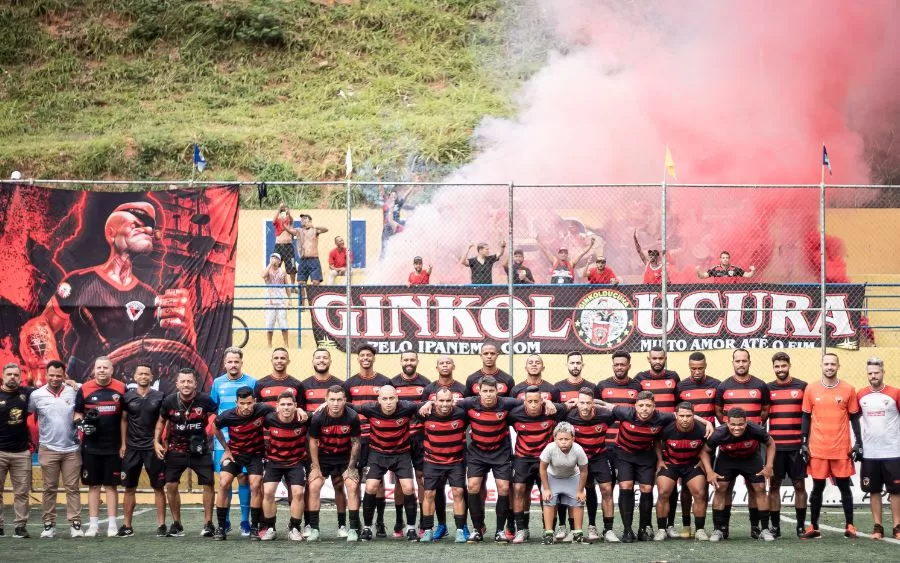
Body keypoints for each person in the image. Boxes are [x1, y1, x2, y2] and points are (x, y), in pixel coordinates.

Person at [18, 202, 195, 384]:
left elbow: (171, 349)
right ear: (111, 233)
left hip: (129, 384)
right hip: (83, 380)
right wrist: (48, 364)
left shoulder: (150, 295)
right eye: (136, 225)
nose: (148, 230)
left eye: (149, 227)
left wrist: (188, 333)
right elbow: (42, 323)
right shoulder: (80, 281)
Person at [595, 391, 713, 543]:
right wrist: (584, 402)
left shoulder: (662, 417)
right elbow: (606, 405)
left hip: (645, 455)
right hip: (624, 454)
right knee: (626, 486)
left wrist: (707, 422)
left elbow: (682, 414)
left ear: (654, 407)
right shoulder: (624, 412)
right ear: (635, 406)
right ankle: (627, 530)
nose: (645, 409)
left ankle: (643, 529)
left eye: (648, 406)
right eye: (641, 405)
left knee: (647, 489)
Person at [799, 353, 862, 540]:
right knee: (817, 488)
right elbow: (805, 417)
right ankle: (814, 526)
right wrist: (804, 443)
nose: (829, 367)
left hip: (841, 449)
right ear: (821, 365)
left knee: (844, 487)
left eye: (833, 364)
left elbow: (854, 418)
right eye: (826, 364)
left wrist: (858, 442)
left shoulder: (849, 389)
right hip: (818, 449)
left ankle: (850, 526)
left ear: (838, 366)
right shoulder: (811, 389)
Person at [455, 376, 522, 543]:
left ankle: (500, 530)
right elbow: (448, 403)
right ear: (479, 391)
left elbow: (527, 403)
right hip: (477, 453)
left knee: (504, 488)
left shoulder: (507, 403)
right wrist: (428, 403)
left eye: (492, 391)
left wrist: (548, 403)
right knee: (472, 486)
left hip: (500, 453)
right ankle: (478, 528)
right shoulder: (468, 403)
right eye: (485, 391)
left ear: (497, 391)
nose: (488, 394)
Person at [155, 368, 218, 538]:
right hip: (176, 449)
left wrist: (210, 425)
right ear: (177, 384)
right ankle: (176, 524)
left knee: (209, 484)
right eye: (182, 381)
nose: (186, 384)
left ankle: (208, 524)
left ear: (195, 384)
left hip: (200, 449)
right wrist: (156, 442)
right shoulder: (169, 401)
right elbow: (161, 422)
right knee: (171, 485)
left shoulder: (205, 400)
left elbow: (215, 415)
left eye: (189, 381)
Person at [715, 348, 770, 538]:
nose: (741, 364)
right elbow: (719, 411)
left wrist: (751, 428)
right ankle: (722, 529)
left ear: (749, 362)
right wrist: (732, 430)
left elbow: (765, 411)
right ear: (733, 363)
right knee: (724, 488)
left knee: (756, 488)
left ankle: (757, 528)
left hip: (751, 449)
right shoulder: (723, 387)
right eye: (737, 361)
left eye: (744, 361)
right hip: (728, 450)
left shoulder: (761, 386)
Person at [212, 386, 277, 540]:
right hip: (235, 454)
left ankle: (254, 527)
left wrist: (300, 411)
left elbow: (281, 411)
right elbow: (214, 427)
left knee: (255, 485)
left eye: (249, 403)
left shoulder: (263, 409)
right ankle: (221, 527)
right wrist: (226, 449)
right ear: (236, 403)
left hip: (255, 455)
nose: (246, 407)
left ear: (254, 401)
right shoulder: (227, 416)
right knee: (223, 483)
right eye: (242, 403)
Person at [356, 386, 421, 541]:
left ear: (397, 398)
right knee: (371, 486)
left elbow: (423, 405)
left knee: (408, 487)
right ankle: (367, 528)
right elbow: (350, 407)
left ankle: (411, 529)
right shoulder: (369, 408)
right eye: (384, 399)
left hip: (401, 454)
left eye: (391, 398)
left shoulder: (407, 407)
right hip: (377, 454)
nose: (388, 402)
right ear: (378, 400)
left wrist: (428, 404)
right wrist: (326, 406)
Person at [29, 360, 83, 538]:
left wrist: (74, 383)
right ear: (46, 374)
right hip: (48, 448)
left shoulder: (74, 390)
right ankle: (48, 525)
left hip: (72, 449)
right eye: (51, 375)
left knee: (72, 488)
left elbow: (90, 388)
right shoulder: (36, 395)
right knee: (49, 488)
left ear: (64, 375)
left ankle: (75, 524)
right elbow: (26, 415)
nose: (54, 378)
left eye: (58, 375)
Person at [706, 407, 776, 542]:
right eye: (733, 424)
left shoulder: (756, 429)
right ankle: (719, 529)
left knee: (760, 489)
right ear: (727, 423)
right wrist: (709, 471)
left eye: (740, 424)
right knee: (721, 489)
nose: (736, 428)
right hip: (727, 459)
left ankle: (763, 529)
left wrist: (769, 466)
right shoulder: (719, 433)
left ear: (746, 422)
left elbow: (771, 443)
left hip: (750, 459)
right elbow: (705, 451)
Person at [74, 356, 126, 538]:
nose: (102, 370)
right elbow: (78, 414)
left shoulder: (121, 388)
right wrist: (81, 425)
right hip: (91, 447)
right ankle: (93, 525)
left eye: (105, 367)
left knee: (111, 486)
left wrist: (123, 444)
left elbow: (124, 419)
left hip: (113, 447)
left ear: (112, 370)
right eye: (98, 368)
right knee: (94, 486)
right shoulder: (84, 389)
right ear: (94, 370)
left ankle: (112, 524)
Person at [343, 344, 392, 537]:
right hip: (356, 438)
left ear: (373, 358)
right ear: (358, 358)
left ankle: (379, 522)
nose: (366, 358)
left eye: (369, 355)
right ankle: (357, 524)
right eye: (362, 355)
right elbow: (344, 409)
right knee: (354, 479)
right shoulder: (349, 383)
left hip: (375, 438)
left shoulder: (384, 381)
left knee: (376, 482)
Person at [508, 386, 567, 543]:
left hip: (545, 459)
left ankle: (548, 531)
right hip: (522, 458)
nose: (533, 405)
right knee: (519, 489)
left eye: (536, 401)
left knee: (548, 494)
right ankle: (522, 530)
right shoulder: (515, 414)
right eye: (530, 401)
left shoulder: (552, 410)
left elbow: (570, 406)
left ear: (542, 401)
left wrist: (549, 402)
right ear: (524, 402)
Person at [634, 346, 682, 536]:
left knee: (670, 481)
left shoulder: (674, 377)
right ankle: (647, 525)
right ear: (648, 359)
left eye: (661, 358)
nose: (658, 361)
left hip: (670, 435)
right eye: (654, 358)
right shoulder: (640, 378)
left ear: (665, 358)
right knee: (647, 485)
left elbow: (679, 406)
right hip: (647, 435)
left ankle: (668, 525)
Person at [301, 347, 349, 537]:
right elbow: (301, 414)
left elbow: (346, 412)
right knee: (311, 483)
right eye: (318, 358)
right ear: (313, 361)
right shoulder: (303, 385)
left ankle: (342, 526)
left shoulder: (340, 385)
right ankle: (309, 525)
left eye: (325, 358)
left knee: (339, 484)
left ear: (330, 361)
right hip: (314, 444)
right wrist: (318, 413)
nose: (321, 360)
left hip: (337, 444)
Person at [210, 347, 257, 536]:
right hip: (224, 442)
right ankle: (225, 521)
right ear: (225, 363)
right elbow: (214, 410)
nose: (233, 365)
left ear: (241, 363)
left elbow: (255, 409)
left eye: (236, 361)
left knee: (244, 478)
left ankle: (245, 522)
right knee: (225, 480)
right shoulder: (217, 383)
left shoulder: (252, 382)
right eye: (229, 361)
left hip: (246, 441)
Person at [674, 351, 720, 538]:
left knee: (703, 486)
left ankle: (701, 526)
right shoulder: (681, 386)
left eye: (700, 368)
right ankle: (686, 525)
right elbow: (679, 413)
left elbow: (719, 412)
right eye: (693, 368)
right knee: (685, 486)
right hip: (686, 442)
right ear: (689, 367)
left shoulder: (716, 385)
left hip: (708, 445)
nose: (697, 372)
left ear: (705, 366)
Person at [307, 385, 362, 542]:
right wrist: (316, 468)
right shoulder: (318, 417)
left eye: (339, 400)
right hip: (324, 456)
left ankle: (350, 528)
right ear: (326, 400)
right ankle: (314, 529)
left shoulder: (352, 417)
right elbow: (313, 442)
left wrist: (351, 467)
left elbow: (356, 442)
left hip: (344, 456)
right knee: (314, 485)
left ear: (345, 400)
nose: (336, 403)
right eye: (332, 399)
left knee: (350, 485)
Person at [120, 363, 167, 537]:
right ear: (135, 377)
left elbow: (164, 421)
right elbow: (124, 420)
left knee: (158, 487)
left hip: (152, 448)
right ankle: (127, 526)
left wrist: (161, 441)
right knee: (129, 488)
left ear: (152, 377)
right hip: (132, 448)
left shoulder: (160, 396)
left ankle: (162, 525)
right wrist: (123, 444)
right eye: (140, 374)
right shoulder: (127, 397)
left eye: (147, 374)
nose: (144, 377)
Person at [654, 402, 712, 542]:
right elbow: (656, 441)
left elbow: (707, 447)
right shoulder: (667, 428)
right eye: (681, 416)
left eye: (688, 416)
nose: (685, 419)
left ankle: (699, 530)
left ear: (694, 416)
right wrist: (660, 460)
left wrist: (703, 463)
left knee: (699, 493)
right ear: (676, 415)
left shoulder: (702, 429)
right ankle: (662, 530)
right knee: (663, 492)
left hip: (691, 465)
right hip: (670, 464)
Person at [765, 351, 808, 538]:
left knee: (799, 486)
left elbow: (808, 416)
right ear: (773, 367)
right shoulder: (767, 388)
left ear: (789, 365)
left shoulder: (802, 386)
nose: (780, 370)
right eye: (777, 366)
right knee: (774, 487)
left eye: (783, 366)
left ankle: (800, 526)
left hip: (796, 447)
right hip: (775, 448)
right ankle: (775, 527)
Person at [566, 387, 617, 542]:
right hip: (578, 460)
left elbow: (618, 411)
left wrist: (601, 402)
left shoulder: (605, 415)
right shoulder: (569, 416)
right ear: (577, 403)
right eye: (582, 403)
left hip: (599, 456)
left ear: (593, 404)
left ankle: (608, 530)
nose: (585, 407)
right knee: (575, 493)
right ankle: (576, 530)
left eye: (589, 403)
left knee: (607, 489)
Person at [857, 357, 900, 540]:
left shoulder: (895, 393)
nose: (873, 376)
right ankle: (878, 527)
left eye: (876, 372)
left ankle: (897, 526)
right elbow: (853, 420)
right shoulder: (860, 395)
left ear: (883, 372)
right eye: (870, 373)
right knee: (873, 490)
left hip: (893, 451)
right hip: (870, 453)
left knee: (896, 491)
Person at [419, 387, 469, 543]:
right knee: (429, 494)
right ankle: (427, 530)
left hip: (455, 461)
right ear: (434, 401)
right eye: (441, 400)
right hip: (432, 461)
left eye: (448, 400)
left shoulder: (461, 414)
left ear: (453, 401)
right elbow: (407, 406)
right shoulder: (425, 413)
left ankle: (460, 530)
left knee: (458, 492)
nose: (445, 404)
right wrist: (427, 403)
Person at [390, 352, 430, 537]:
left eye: (412, 359)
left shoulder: (426, 384)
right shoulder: (392, 384)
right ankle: (399, 521)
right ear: (400, 362)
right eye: (405, 359)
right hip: (400, 438)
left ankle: (422, 521)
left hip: (421, 438)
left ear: (417, 362)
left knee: (421, 478)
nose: (409, 362)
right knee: (400, 480)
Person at [262, 392, 309, 541]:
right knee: (268, 492)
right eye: (283, 404)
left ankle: (294, 527)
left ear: (295, 406)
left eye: (290, 404)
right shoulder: (269, 419)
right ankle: (270, 528)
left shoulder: (304, 419)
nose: (286, 407)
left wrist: (302, 411)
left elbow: (321, 415)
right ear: (277, 407)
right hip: (274, 462)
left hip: (296, 461)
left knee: (298, 493)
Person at [596, 351, 642, 487]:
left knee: (626, 484)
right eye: (616, 365)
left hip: (627, 444)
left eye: (622, 364)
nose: (619, 367)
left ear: (629, 366)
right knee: (608, 485)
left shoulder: (637, 386)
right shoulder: (602, 386)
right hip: (607, 443)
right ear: (613, 366)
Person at [539, 422, 589, 544]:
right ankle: (548, 534)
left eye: (566, 439)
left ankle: (577, 534)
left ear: (573, 438)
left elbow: (583, 471)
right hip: (553, 477)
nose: (563, 442)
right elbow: (542, 468)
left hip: (572, 477)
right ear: (555, 438)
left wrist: (580, 491)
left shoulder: (578, 450)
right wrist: (546, 489)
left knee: (579, 500)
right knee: (548, 500)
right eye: (560, 439)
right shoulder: (550, 448)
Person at [0, 363, 33, 539]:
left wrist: (73, 383)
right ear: (3, 376)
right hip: (0, 452)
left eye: (15, 374)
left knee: (22, 493)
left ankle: (20, 527)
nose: (12, 377)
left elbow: (50, 387)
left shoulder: (27, 393)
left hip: (21, 452)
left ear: (20, 377)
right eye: (9, 374)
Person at [296, 213, 328, 304]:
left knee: (316, 282)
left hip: (314, 260)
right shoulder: (299, 231)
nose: (302, 220)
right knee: (301, 283)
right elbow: (290, 230)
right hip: (303, 260)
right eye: (301, 219)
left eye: (304, 219)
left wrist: (313, 226)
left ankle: (316, 303)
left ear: (309, 220)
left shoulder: (315, 230)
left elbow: (326, 229)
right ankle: (302, 305)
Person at [262, 253, 289, 348]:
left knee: (283, 324)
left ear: (279, 261)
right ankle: (269, 344)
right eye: (272, 257)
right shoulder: (268, 271)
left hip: (281, 301)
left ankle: (286, 344)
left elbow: (287, 286)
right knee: (269, 324)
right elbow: (262, 275)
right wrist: (270, 264)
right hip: (270, 301)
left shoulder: (283, 271)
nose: (273, 259)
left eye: (276, 258)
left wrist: (289, 300)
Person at [273, 203, 299, 288]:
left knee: (292, 266)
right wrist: (279, 209)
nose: (284, 213)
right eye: (282, 212)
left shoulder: (289, 221)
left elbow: (291, 219)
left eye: (285, 211)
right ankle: (275, 285)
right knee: (275, 265)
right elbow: (273, 221)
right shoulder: (277, 220)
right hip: (279, 247)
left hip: (289, 247)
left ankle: (292, 286)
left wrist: (289, 214)